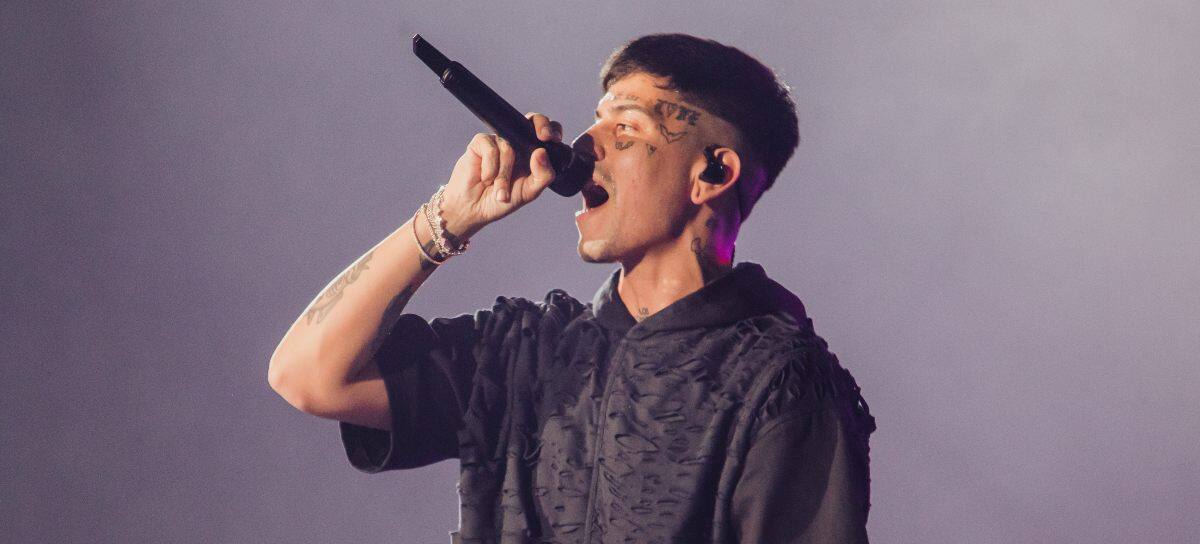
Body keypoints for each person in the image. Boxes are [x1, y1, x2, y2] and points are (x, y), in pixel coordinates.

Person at [269, 33, 875, 543]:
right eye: (596, 119)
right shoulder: (523, 352)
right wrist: (447, 219)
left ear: (712, 173)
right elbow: (308, 375)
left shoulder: (782, 382)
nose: (585, 145)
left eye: (626, 127)